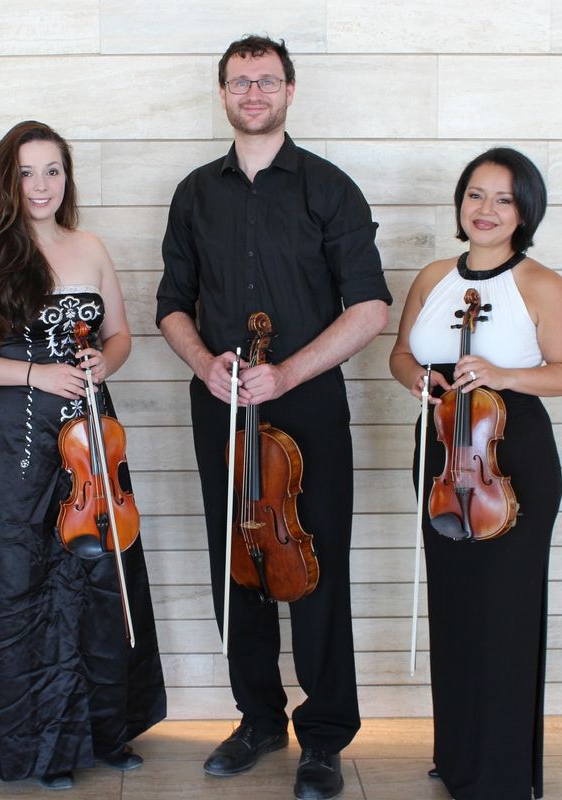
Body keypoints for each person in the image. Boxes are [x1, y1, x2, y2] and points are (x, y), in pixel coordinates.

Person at [157, 35, 391, 800]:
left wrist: (287, 369)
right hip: (221, 407)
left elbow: (369, 306)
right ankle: (259, 718)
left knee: (315, 568)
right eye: (238, 82)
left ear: (290, 90)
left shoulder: (330, 189)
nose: (252, 92)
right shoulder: (194, 194)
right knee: (241, 570)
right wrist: (205, 364)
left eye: (266, 80)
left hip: (309, 403)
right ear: (221, 94)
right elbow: (171, 305)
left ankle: (324, 737)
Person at [0, 120, 166, 790]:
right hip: (14, 445)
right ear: (8, 179)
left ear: (68, 177)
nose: (41, 185)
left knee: (97, 580)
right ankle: (38, 746)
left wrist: (101, 359)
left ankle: (104, 731)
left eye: (53, 170)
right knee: (22, 584)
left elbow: (120, 337)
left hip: (91, 442)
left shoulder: (89, 246)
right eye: (28, 172)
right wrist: (35, 373)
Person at [388, 147, 562, 800]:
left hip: (513, 459)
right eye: (476, 195)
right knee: (454, 609)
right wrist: (418, 378)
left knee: (502, 617)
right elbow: (399, 354)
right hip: (446, 453)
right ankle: (459, 760)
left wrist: (500, 374)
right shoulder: (432, 278)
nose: (487, 209)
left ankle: (499, 776)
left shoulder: (540, 284)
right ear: (459, 203)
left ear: (525, 211)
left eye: (504, 199)